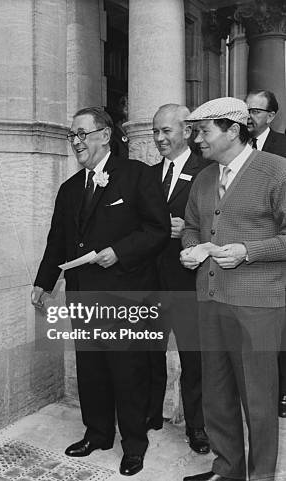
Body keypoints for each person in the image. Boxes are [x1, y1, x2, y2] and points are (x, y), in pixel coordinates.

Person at [32, 107, 169, 476]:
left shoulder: (137, 176)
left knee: (128, 372)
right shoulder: (69, 188)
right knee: (91, 370)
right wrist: (43, 282)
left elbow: (157, 231)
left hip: (125, 294)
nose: (76, 142)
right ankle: (97, 434)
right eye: (71, 136)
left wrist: (119, 253)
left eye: (82, 134)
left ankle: (134, 445)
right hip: (82, 295)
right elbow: (57, 241)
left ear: (105, 135)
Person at [180, 97, 286, 481]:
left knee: (258, 401)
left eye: (204, 131)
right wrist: (190, 249)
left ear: (233, 131)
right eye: (194, 131)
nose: (196, 140)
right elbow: (192, 225)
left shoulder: (277, 171)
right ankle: (227, 470)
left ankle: (261, 477)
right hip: (210, 301)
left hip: (258, 306)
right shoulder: (205, 177)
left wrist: (249, 252)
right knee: (217, 394)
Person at [148, 104, 211, 454]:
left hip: (190, 282)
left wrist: (188, 231)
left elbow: (219, 226)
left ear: (186, 131)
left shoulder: (209, 172)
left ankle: (197, 426)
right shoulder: (149, 175)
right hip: (154, 281)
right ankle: (152, 413)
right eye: (155, 131)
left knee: (194, 357)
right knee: (151, 351)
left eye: (166, 131)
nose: (159, 139)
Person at [245, 89, 286, 418]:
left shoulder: (284, 148)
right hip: (243, 255)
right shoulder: (238, 148)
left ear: (271, 116)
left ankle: (281, 394)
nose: (249, 117)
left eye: (255, 111)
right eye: (245, 109)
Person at [245, 89, 286, 157]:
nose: (248, 116)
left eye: (255, 111)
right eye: (245, 111)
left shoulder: (283, 145)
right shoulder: (234, 142)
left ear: (270, 116)